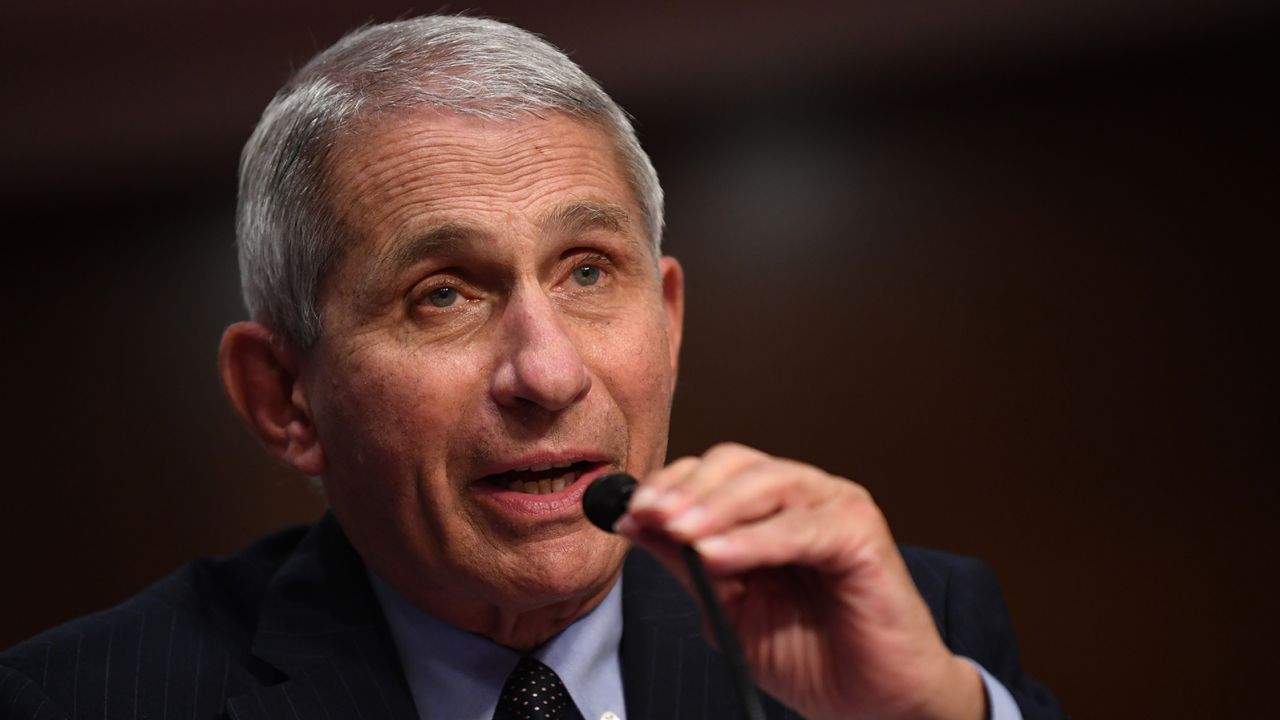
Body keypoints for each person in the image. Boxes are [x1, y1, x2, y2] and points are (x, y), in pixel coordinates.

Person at [0, 15, 1064, 720]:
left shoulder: (914, 631)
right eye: (443, 294)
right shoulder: (81, 701)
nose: (546, 373)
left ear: (668, 318)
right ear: (283, 399)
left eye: (588, 272)